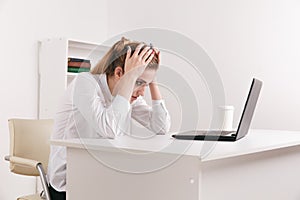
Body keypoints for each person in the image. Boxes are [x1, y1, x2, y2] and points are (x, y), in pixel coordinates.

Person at [47, 37, 171, 200]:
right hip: (68, 183)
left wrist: (152, 80)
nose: (142, 92)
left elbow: (161, 127)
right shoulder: (84, 83)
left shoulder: (127, 94)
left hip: (100, 175)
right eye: (139, 82)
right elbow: (109, 129)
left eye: (145, 85)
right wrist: (131, 77)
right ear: (119, 73)